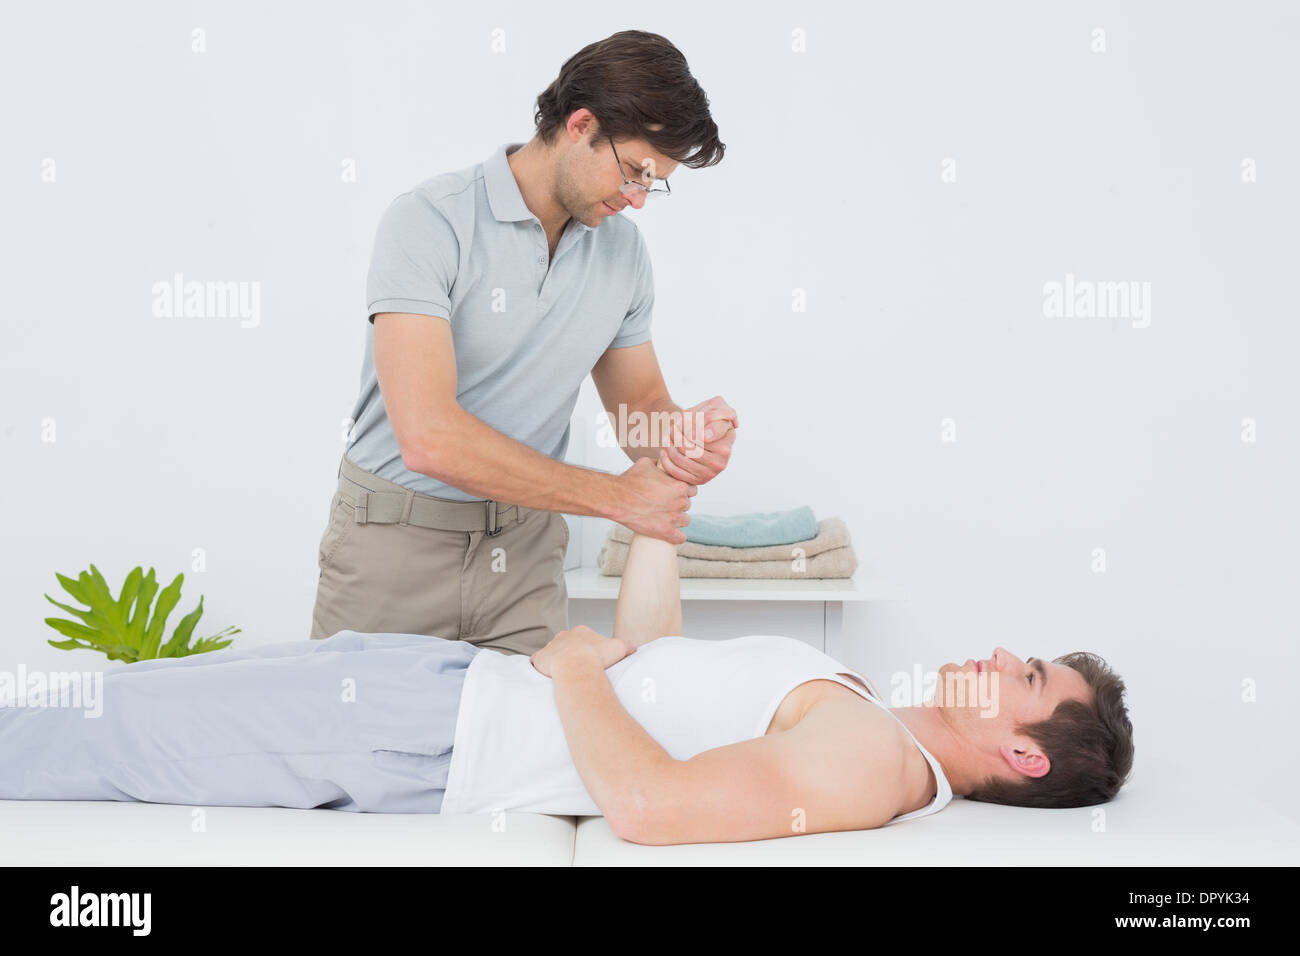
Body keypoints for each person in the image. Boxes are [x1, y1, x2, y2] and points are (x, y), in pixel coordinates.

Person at [0, 489, 1135, 846]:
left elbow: (647, 804)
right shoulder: (857, 720)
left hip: (423, 735)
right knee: (104, 705)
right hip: (426, 693)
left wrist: (579, 671)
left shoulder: (864, 759)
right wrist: (658, 519)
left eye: (1025, 672)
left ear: (1022, 749)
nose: (996, 654)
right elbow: (661, 661)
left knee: (98, 727)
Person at [310, 30, 735, 656]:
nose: (639, 199)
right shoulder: (430, 222)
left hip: (524, 559)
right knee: (356, 745)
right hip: (393, 545)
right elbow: (428, 437)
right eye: (635, 171)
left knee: (528, 746)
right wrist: (618, 498)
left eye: (656, 183)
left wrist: (680, 436)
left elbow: (639, 408)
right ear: (581, 124)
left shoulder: (621, 251)